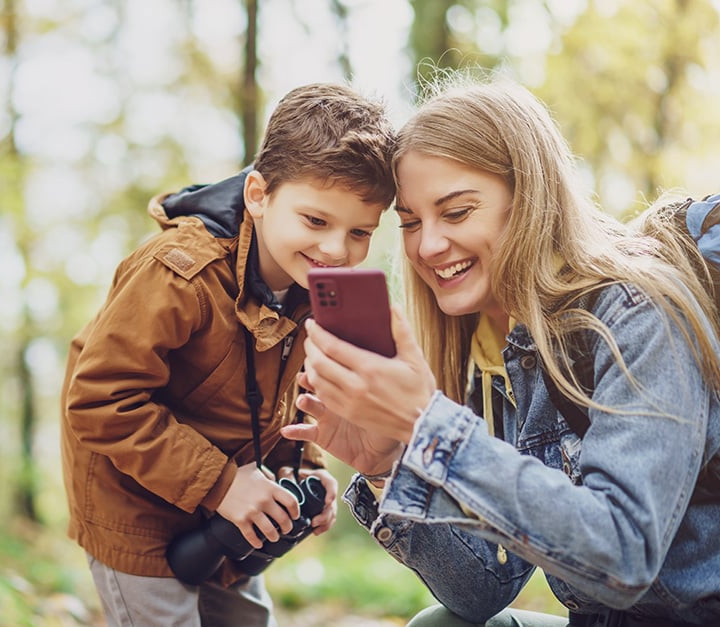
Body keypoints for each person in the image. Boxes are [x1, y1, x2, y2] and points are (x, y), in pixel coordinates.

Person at [282, 70, 720, 626]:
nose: (429, 245)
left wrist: (432, 425)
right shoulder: (495, 347)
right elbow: (483, 589)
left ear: (532, 200)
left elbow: (623, 556)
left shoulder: (637, 313)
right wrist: (387, 462)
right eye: (412, 222)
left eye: (457, 212)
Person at [60, 82, 398, 626]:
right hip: (134, 503)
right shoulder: (177, 272)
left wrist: (302, 468)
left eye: (360, 231)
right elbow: (100, 400)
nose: (336, 250)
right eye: (316, 221)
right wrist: (222, 484)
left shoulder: (317, 284)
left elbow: (291, 396)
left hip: (229, 506)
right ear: (258, 195)